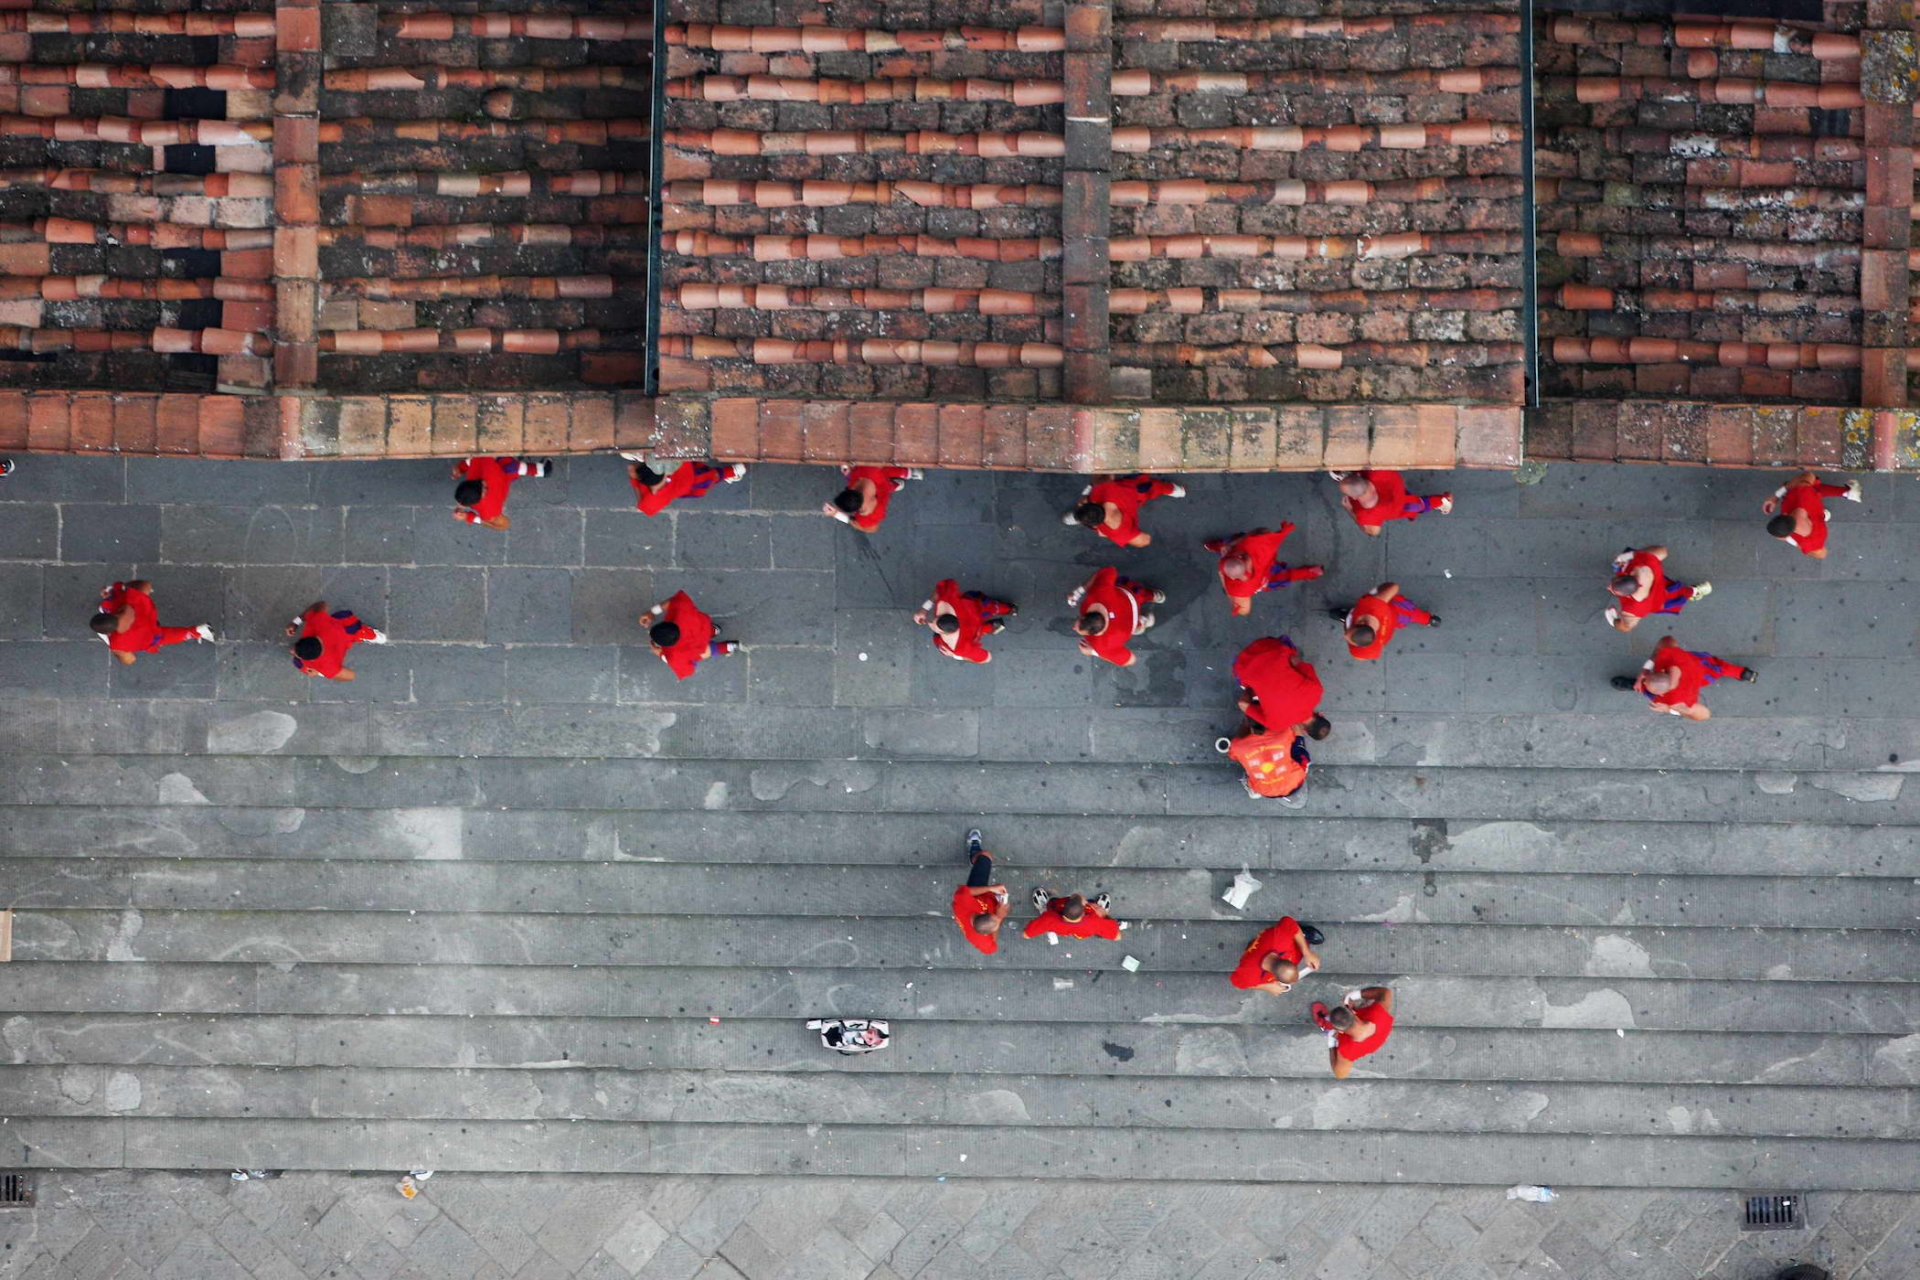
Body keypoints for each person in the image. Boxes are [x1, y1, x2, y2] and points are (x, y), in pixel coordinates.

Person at [1611, 634, 1756, 721]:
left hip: (1696, 681)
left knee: (1644, 690)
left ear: (1661, 693)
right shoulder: (1672, 658)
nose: (1645, 676)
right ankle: (1743, 673)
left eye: (1645, 679)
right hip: (1701, 668)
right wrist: (1646, 670)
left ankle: (1636, 687)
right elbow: (1667, 640)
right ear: (1662, 672)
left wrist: (1669, 710)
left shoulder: (1673, 701)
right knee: (1719, 668)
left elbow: (1704, 715)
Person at [1205, 523, 1323, 616]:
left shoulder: (1238, 590)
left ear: (1232, 578)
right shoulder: (1250, 547)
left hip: (1263, 581)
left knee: (1284, 577)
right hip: (1267, 568)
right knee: (1284, 576)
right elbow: (1262, 531)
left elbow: (1244, 610)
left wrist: (1226, 588)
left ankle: (1219, 546)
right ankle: (1311, 573)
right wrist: (1241, 542)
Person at [89, 580, 212, 665]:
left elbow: (130, 660)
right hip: (148, 616)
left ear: (110, 632)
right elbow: (145, 585)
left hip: (151, 636)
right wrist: (114, 592)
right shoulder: (129, 600)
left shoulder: (118, 643)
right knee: (141, 588)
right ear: (110, 615)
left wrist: (115, 649)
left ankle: (198, 631)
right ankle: (197, 631)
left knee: (169, 637)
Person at [1232, 636, 1332, 738]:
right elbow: (1243, 704)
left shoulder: (1317, 692)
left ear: (1321, 715)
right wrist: (1253, 688)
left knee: (1289, 647)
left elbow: (1295, 660)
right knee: (1243, 681)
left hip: (1269, 647)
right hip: (1243, 666)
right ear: (1305, 731)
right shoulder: (1276, 725)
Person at [1070, 567, 1161, 669]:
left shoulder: (1103, 645)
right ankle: (1155, 596)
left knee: (1135, 626)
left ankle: (1142, 622)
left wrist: (1093, 652)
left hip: (1130, 624)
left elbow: (1131, 660)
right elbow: (1109, 571)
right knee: (1142, 595)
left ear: (1095, 634)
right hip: (1131, 598)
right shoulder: (1099, 592)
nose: (1073, 628)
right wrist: (1079, 591)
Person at [1605, 545, 1710, 633]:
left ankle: (1696, 591)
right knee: (1683, 592)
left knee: (1683, 594)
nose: (1609, 587)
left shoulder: (1632, 609)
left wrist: (1613, 621)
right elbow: (1663, 551)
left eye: (1614, 590)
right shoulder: (1644, 564)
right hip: (1660, 586)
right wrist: (1631, 555)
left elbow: (1626, 627)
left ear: (1627, 596)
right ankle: (1696, 591)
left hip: (1662, 597)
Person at [1064, 474, 1184, 548]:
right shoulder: (1103, 488)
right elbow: (1106, 475)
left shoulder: (1122, 534)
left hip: (1136, 495)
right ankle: (1176, 490)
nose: (1080, 503)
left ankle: (1174, 490)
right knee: (1150, 486)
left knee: (1153, 488)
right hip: (1129, 490)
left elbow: (1145, 540)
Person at [1763, 470, 1861, 559]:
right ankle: (1846, 492)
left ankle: (1829, 510)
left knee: (1818, 508)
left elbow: (1822, 555)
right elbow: (1809, 475)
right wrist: (1776, 496)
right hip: (1810, 499)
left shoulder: (1813, 543)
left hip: (1819, 520)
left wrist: (1794, 541)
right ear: (1784, 515)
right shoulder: (1800, 494)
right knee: (1812, 484)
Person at [915, 581, 1016, 665]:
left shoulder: (959, 648)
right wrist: (925, 608)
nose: (930, 623)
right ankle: (1010, 609)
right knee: (991, 607)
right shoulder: (947, 599)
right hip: (975, 608)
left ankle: (992, 627)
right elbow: (947, 585)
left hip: (973, 631)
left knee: (978, 632)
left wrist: (956, 656)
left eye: (934, 626)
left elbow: (987, 658)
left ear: (945, 633)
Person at [643, 590, 737, 680]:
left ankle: (727, 647)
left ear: (664, 646)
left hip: (698, 648)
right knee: (706, 630)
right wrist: (652, 612)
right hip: (703, 626)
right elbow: (674, 600)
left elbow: (689, 671)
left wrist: (662, 655)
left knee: (705, 652)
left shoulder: (673, 656)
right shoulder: (681, 609)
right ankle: (715, 631)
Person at [1333, 583, 1439, 661]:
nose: (1345, 636)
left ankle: (1427, 619)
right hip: (1396, 613)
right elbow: (1394, 587)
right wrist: (1379, 593)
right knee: (1412, 615)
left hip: (1393, 618)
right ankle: (1429, 620)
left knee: (1413, 615)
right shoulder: (1374, 606)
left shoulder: (1373, 607)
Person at [286, 601, 387, 681]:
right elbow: (321, 604)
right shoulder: (317, 621)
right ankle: (374, 636)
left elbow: (351, 676)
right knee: (353, 628)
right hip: (341, 628)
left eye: (296, 653)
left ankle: (370, 635)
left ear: (312, 660)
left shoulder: (327, 666)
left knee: (299, 665)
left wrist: (320, 673)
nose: (291, 651)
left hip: (346, 638)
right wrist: (296, 622)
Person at [1217, 722, 1313, 806]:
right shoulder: (1238, 747)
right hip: (1248, 751)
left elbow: (1299, 741)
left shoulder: (1285, 733)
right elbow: (1234, 755)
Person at [1333, 470, 1451, 536]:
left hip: (1400, 507)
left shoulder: (1367, 515)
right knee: (1417, 504)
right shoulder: (1376, 473)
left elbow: (1373, 532)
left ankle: (1443, 502)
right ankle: (1442, 501)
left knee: (1421, 506)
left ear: (1354, 496)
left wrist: (1349, 510)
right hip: (1397, 490)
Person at [621, 453, 745, 517]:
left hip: (689, 484)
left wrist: (635, 481)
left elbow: (643, 506)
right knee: (710, 475)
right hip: (686, 469)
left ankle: (733, 472)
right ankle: (732, 472)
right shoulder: (667, 465)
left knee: (712, 478)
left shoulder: (650, 501)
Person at [1313, 986, 1395, 1079]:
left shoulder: (1347, 1049)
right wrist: (1354, 996)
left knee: (1332, 1034)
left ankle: (1327, 1027)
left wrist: (1332, 1043)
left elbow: (1340, 1074)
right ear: (1352, 1012)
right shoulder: (1379, 1014)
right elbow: (1386, 993)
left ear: (1339, 1031)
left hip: (1355, 1045)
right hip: (1379, 1032)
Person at [453, 455, 552, 531]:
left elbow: (504, 526)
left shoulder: (488, 512)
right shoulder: (475, 469)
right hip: (502, 467)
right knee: (509, 466)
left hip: (503, 476)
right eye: (484, 488)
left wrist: (468, 517)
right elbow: (471, 461)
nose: (484, 484)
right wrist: (461, 468)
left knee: (510, 467)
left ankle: (542, 470)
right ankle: (540, 470)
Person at [1229, 917, 1325, 995]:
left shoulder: (1280, 939)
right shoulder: (1249, 972)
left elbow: (1288, 921)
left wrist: (1307, 953)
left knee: (1294, 940)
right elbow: (1235, 981)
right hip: (1256, 953)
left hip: (1265, 943)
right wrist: (1267, 987)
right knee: (1296, 949)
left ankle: (1302, 934)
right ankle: (1302, 936)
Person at [953, 828, 1010, 954]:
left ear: (981, 913)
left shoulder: (963, 905)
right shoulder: (982, 941)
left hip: (978, 893)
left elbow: (964, 891)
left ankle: (974, 854)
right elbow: (993, 947)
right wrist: (1000, 917)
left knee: (986, 856)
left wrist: (991, 888)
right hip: (986, 899)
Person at [824, 465, 921, 533]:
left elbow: (872, 529)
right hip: (881, 477)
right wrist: (849, 470)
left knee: (889, 487)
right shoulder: (862, 473)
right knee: (890, 471)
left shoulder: (869, 517)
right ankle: (909, 473)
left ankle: (897, 485)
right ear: (852, 490)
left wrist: (837, 515)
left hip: (885, 492)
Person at [1024, 888, 1124, 941]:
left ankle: (1044, 907)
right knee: (1098, 915)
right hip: (1083, 933)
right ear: (1083, 913)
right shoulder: (1094, 923)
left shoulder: (1049, 919)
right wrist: (1103, 915)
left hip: (1059, 928)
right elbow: (1118, 937)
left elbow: (1026, 935)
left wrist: (1040, 922)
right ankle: (1100, 907)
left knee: (1049, 907)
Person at [807, 1018, 889, 1054]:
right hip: (840, 1031)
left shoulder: (861, 1041)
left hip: (840, 1037)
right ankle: (823, 1025)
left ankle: (823, 1026)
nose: (867, 1035)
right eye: (871, 1032)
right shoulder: (864, 1031)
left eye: (870, 1039)